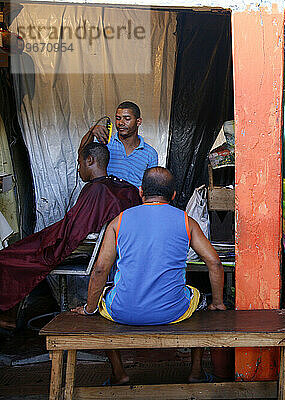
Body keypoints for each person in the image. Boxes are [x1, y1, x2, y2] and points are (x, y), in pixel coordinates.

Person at [72, 166, 227, 384]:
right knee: (201, 302)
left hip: (123, 312)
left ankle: (119, 374)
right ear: (173, 195)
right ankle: (196, 372)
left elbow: (100, 270)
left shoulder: (119, 221)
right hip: (173, 312)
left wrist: (90, 308)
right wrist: (217, 303)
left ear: (141, 191)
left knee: (99, 302)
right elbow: (215, 263)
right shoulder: (186, 221)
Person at [0, 142, 141, 312]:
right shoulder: (121, 187)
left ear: (90, 160)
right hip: (113, 253)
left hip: (76, 249)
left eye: (79, 162)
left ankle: (7, 314)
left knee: (8, 258)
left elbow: (72, 233)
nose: (78, 168)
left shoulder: (98, 190)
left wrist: (47, 243)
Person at [80, 101, 158, 187]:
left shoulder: (150, 153)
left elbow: (150, 186)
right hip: (106, 197)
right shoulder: (105, 142)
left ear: (138, 121)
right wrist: (91, 132)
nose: (121, 123)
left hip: (133, 199)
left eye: (127, 119)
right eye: (118, 118)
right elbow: (82, 156)